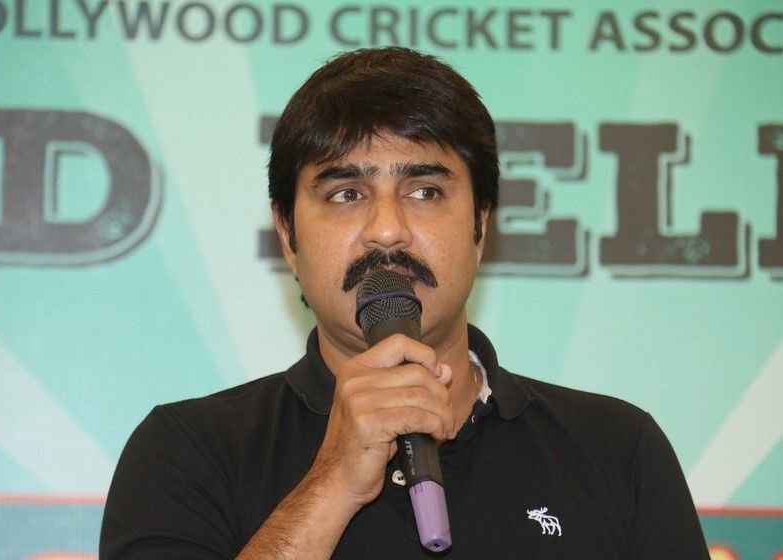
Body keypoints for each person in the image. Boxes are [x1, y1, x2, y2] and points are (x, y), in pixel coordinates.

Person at [100, 47, 710, 559]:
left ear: (481, 224)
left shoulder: (616, 450)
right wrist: (333, 480)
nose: (386, 230)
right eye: (346, 193)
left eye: (424, 191)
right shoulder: (185, 450)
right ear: (287, 233)